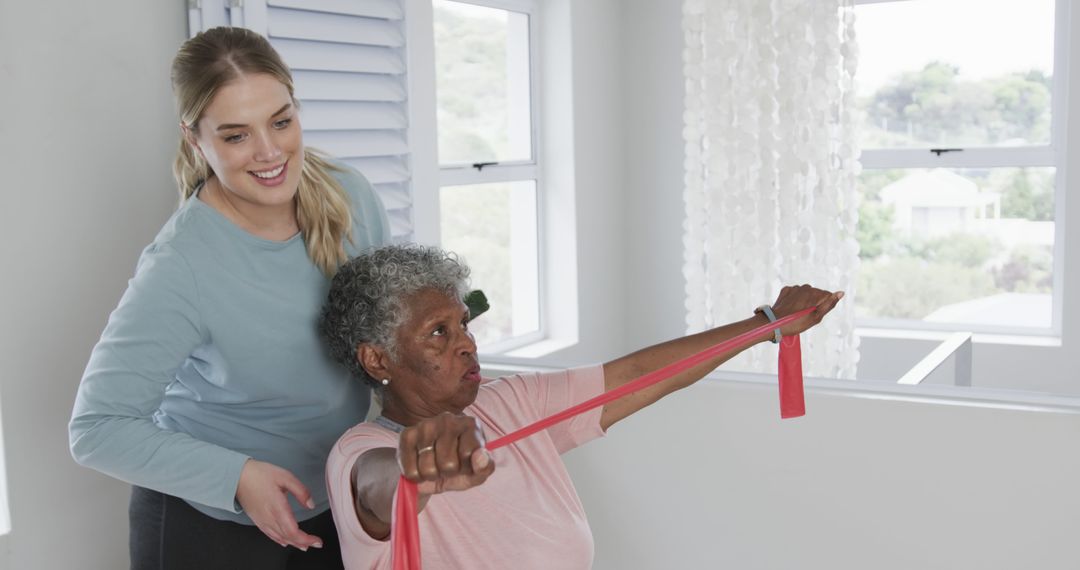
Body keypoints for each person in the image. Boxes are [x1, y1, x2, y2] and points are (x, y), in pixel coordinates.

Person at [68, 27, 391, 569]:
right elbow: (95, 429)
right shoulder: (180, 266)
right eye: (236, 135)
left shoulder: (350, 195)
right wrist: (237, 477)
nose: (270, 152)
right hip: (209, 523)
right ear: (196, 140)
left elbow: (387, 329)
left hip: (336, 496)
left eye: (281, 121)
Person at [319, 244, 842, 569]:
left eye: (464, 324)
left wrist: (768, 324)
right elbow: (378, 483)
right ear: (377, 358)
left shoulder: (509, 401)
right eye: (439, 332)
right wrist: (419, 469)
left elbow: (638, 376)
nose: (467, 345)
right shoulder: (360, 451)